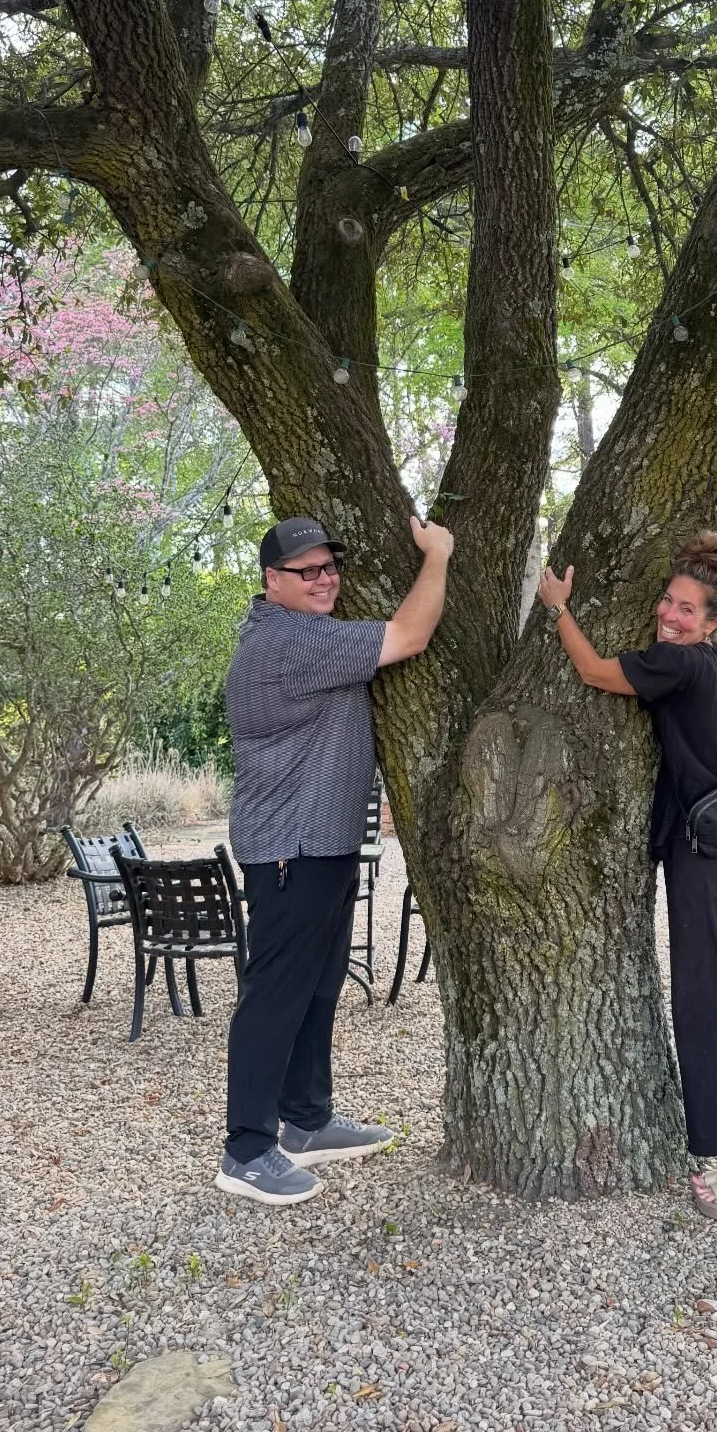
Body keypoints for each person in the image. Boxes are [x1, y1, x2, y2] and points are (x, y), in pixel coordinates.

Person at [536, 533, 717, 1224]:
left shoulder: (681, 664)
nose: (671, 616)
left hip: (712, 862)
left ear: (712, 623)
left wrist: (558, 607)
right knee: (713, 1000)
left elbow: (592, 671)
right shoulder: (715, 664)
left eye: (688, 610)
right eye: (669, 602)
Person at [216, 511, 454, 1206]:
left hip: (322, 844)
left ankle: (306, 1119)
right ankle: (247, 1148)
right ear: (272, 582)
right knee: (276, 995)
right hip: (290, 848)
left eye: (329, 568)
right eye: (305, 571)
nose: (323, 580)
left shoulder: (305, 633)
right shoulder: (288, 641)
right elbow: (410, 634)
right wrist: (436, 554)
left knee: (319, 987)